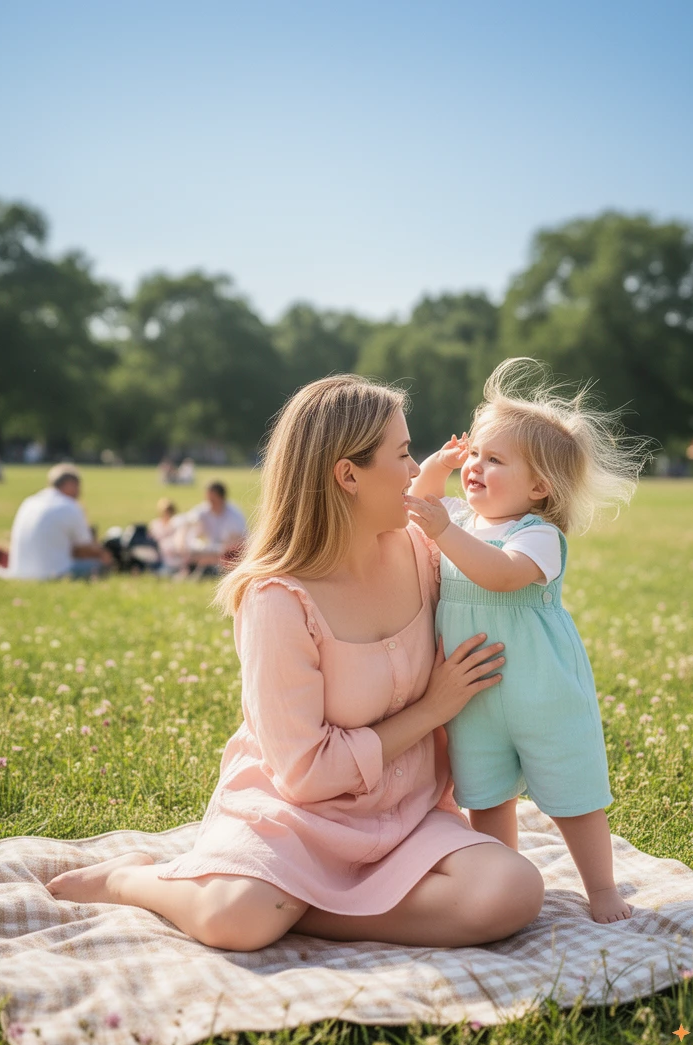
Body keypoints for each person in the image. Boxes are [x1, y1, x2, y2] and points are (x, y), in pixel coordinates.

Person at [46, 375, 544, 951]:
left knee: (512, 890)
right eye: (404, 453)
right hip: (297, 819)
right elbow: (304, 773)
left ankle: (301, 905)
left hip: (404, 813)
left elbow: (509, 571)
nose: (416, 471)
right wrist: (433, 707)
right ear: (347, 474)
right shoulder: (277, 600)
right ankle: (129, 878)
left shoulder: (422, 549)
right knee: (237, 921)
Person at [405, 358, 646, 924]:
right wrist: (437, 469)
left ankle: (602, 888)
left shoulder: (538, 536)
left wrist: (444, 531)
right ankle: (505, 880)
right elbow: (416, 508)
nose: (477, 468)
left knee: (573, 796)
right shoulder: (460, 519)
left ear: (539, 486)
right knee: (486, 796)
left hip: (543, 691)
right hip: (475, 695)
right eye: (476, 456)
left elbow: (501, 574)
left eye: (495, 460)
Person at [8, 464, 112, 580]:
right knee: (101, 564)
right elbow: (84, 548)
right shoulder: (70, 506)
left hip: (19, 573)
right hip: (53, 573)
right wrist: (104, 554)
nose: (79, 492)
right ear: (70, 485)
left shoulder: (29, 502)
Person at [184, 481, 248, 573]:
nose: (210, 503)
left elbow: (239, 543)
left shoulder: (235, 516)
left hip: (230, 555)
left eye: (213, 500)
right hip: (212, 551)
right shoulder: (204, 510)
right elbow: (185, 521)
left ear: (222, 498)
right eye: (208, 499)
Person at [148, 498, 188, 573]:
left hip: (175, 555)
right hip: (160, 556)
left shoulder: (177, 524)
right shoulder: (156, 524)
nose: (167, 514)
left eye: (169, 512)